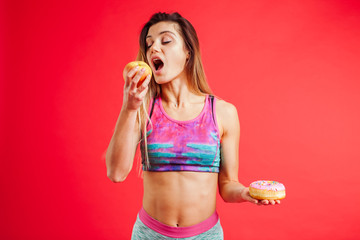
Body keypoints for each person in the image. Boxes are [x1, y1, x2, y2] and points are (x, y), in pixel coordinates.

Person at [106, 12, 280, 240]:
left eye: (165, 41)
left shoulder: (223, 113)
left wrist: (246, 193)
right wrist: (129, 108)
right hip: (149, 234)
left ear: (188, 51)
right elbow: (116, 173)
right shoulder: (142, 109)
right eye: (149, 45)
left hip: (206, 235)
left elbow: (228, 185)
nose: (153, 49)